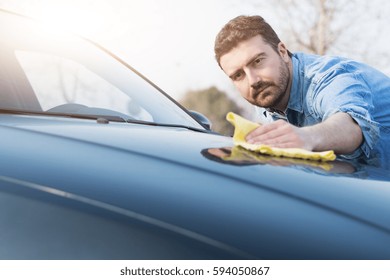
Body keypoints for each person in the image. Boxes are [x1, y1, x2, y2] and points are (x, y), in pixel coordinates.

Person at [214, 15, 390, 163]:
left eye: (258, 61)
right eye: (238, 75)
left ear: (282, 51)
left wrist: (307, 137)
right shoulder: (266, 97)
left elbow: (351, 126)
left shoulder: (326, 77)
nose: (252, 80)